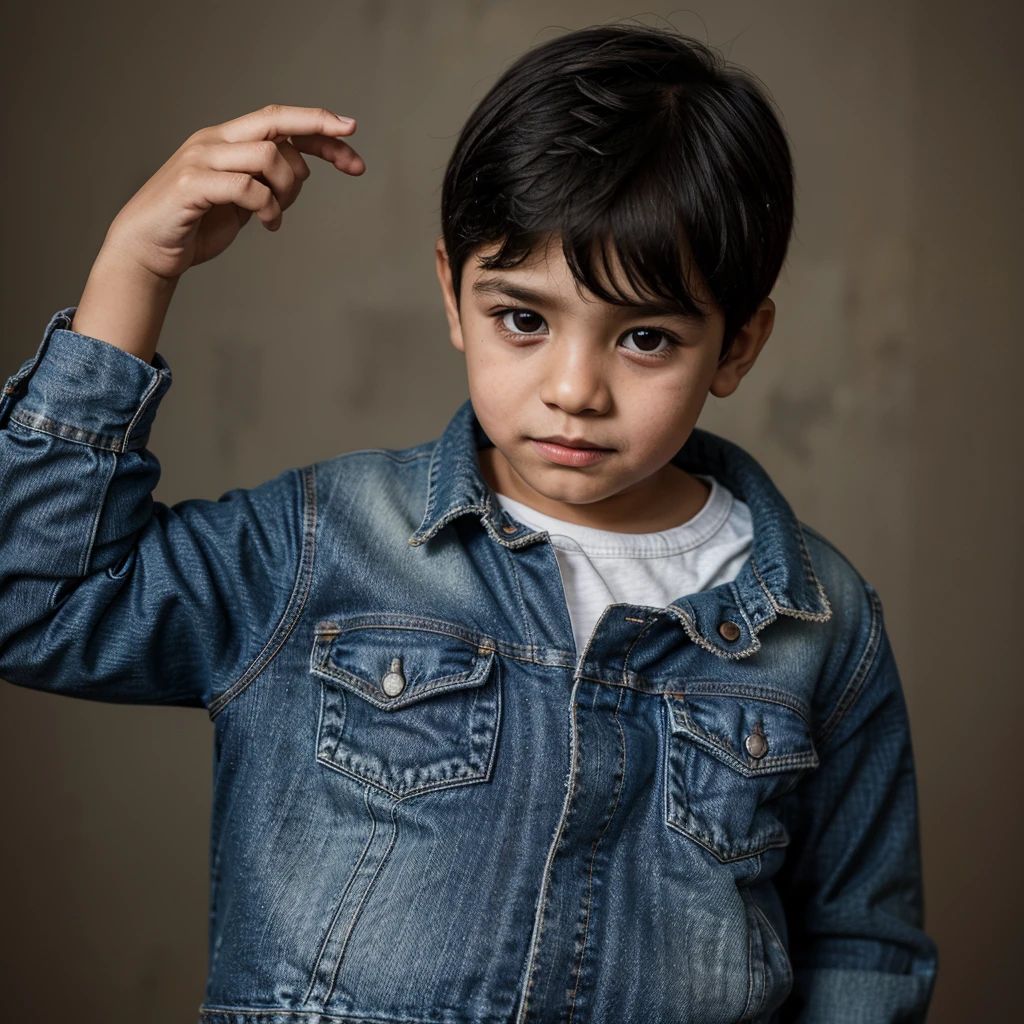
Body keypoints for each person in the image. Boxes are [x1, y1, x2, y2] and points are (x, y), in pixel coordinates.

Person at [0, 22, 937, 1024]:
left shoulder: (820, 625)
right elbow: (37, 601)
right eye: (522, 320)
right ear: (453, 295)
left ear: (737, 345)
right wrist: (134, 272)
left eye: (647, 337)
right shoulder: (325, 544)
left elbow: (861, 950)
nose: (574, 389)